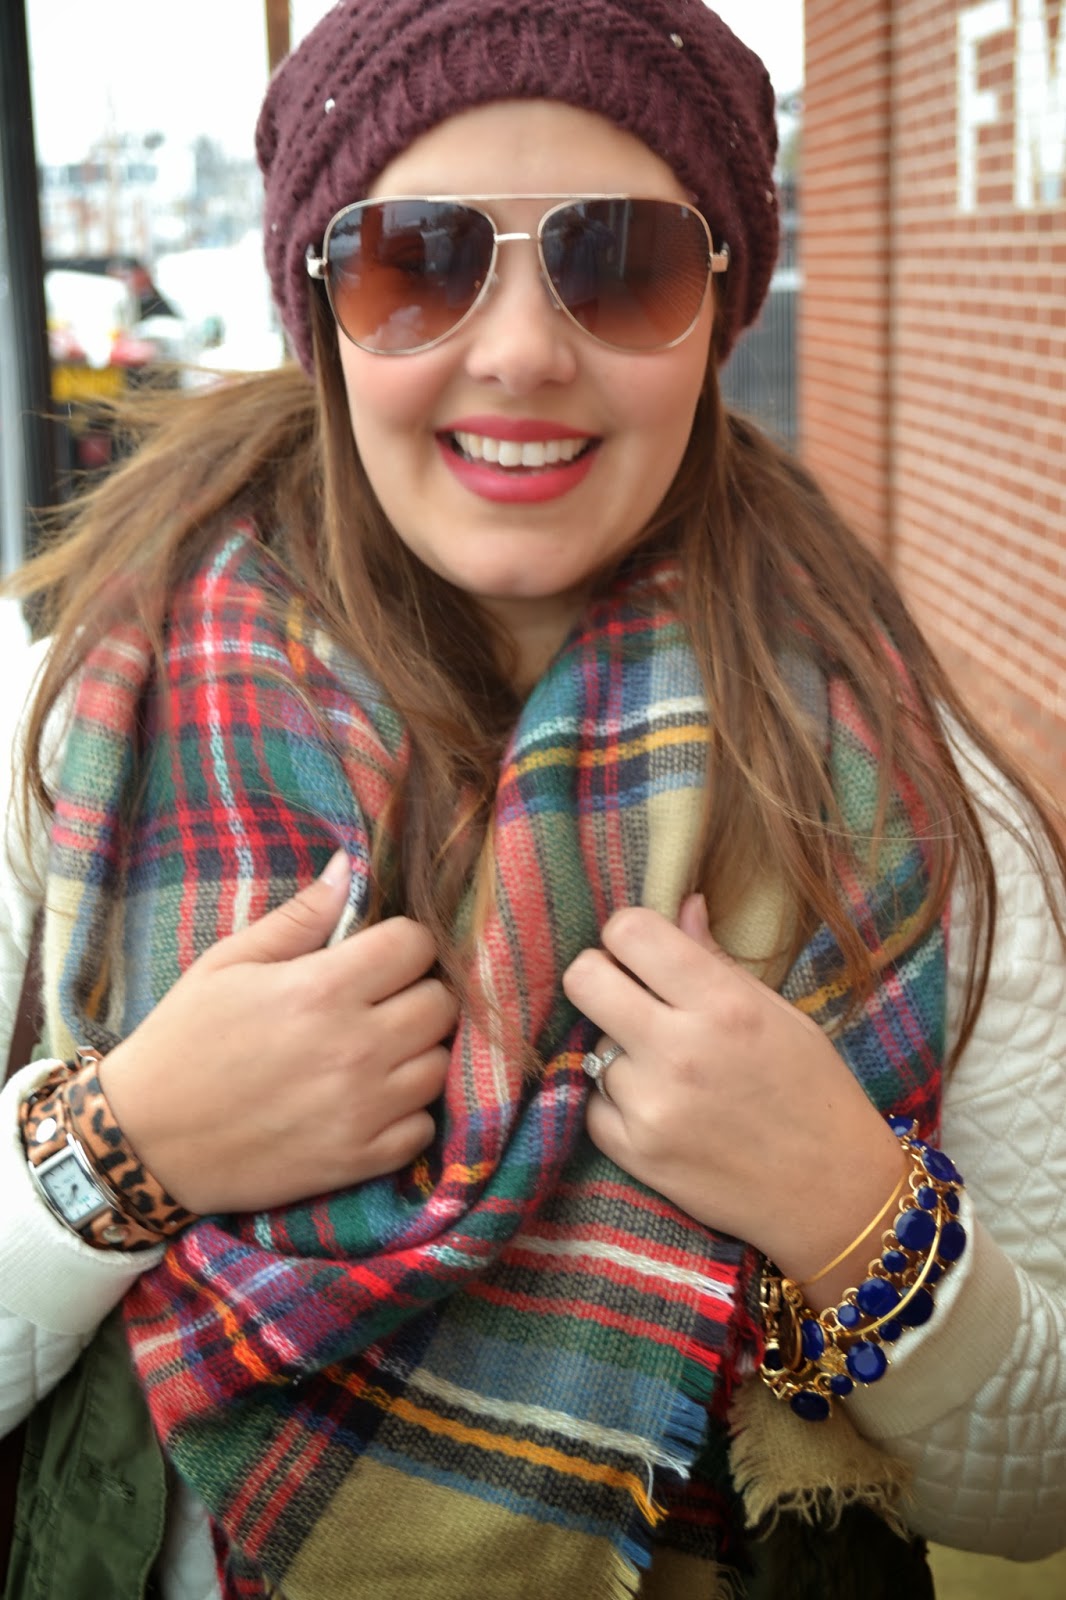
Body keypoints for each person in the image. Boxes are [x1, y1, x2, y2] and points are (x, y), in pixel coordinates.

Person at [1, 1, 1064, 1596]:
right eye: (415, 260)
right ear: (320, 306)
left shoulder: (904, 789)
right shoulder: (79, 713)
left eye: (616, 261)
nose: (517, 351)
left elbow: (1037, 1492)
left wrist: (851, 1214)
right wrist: (123, 1146)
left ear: (716, 306)